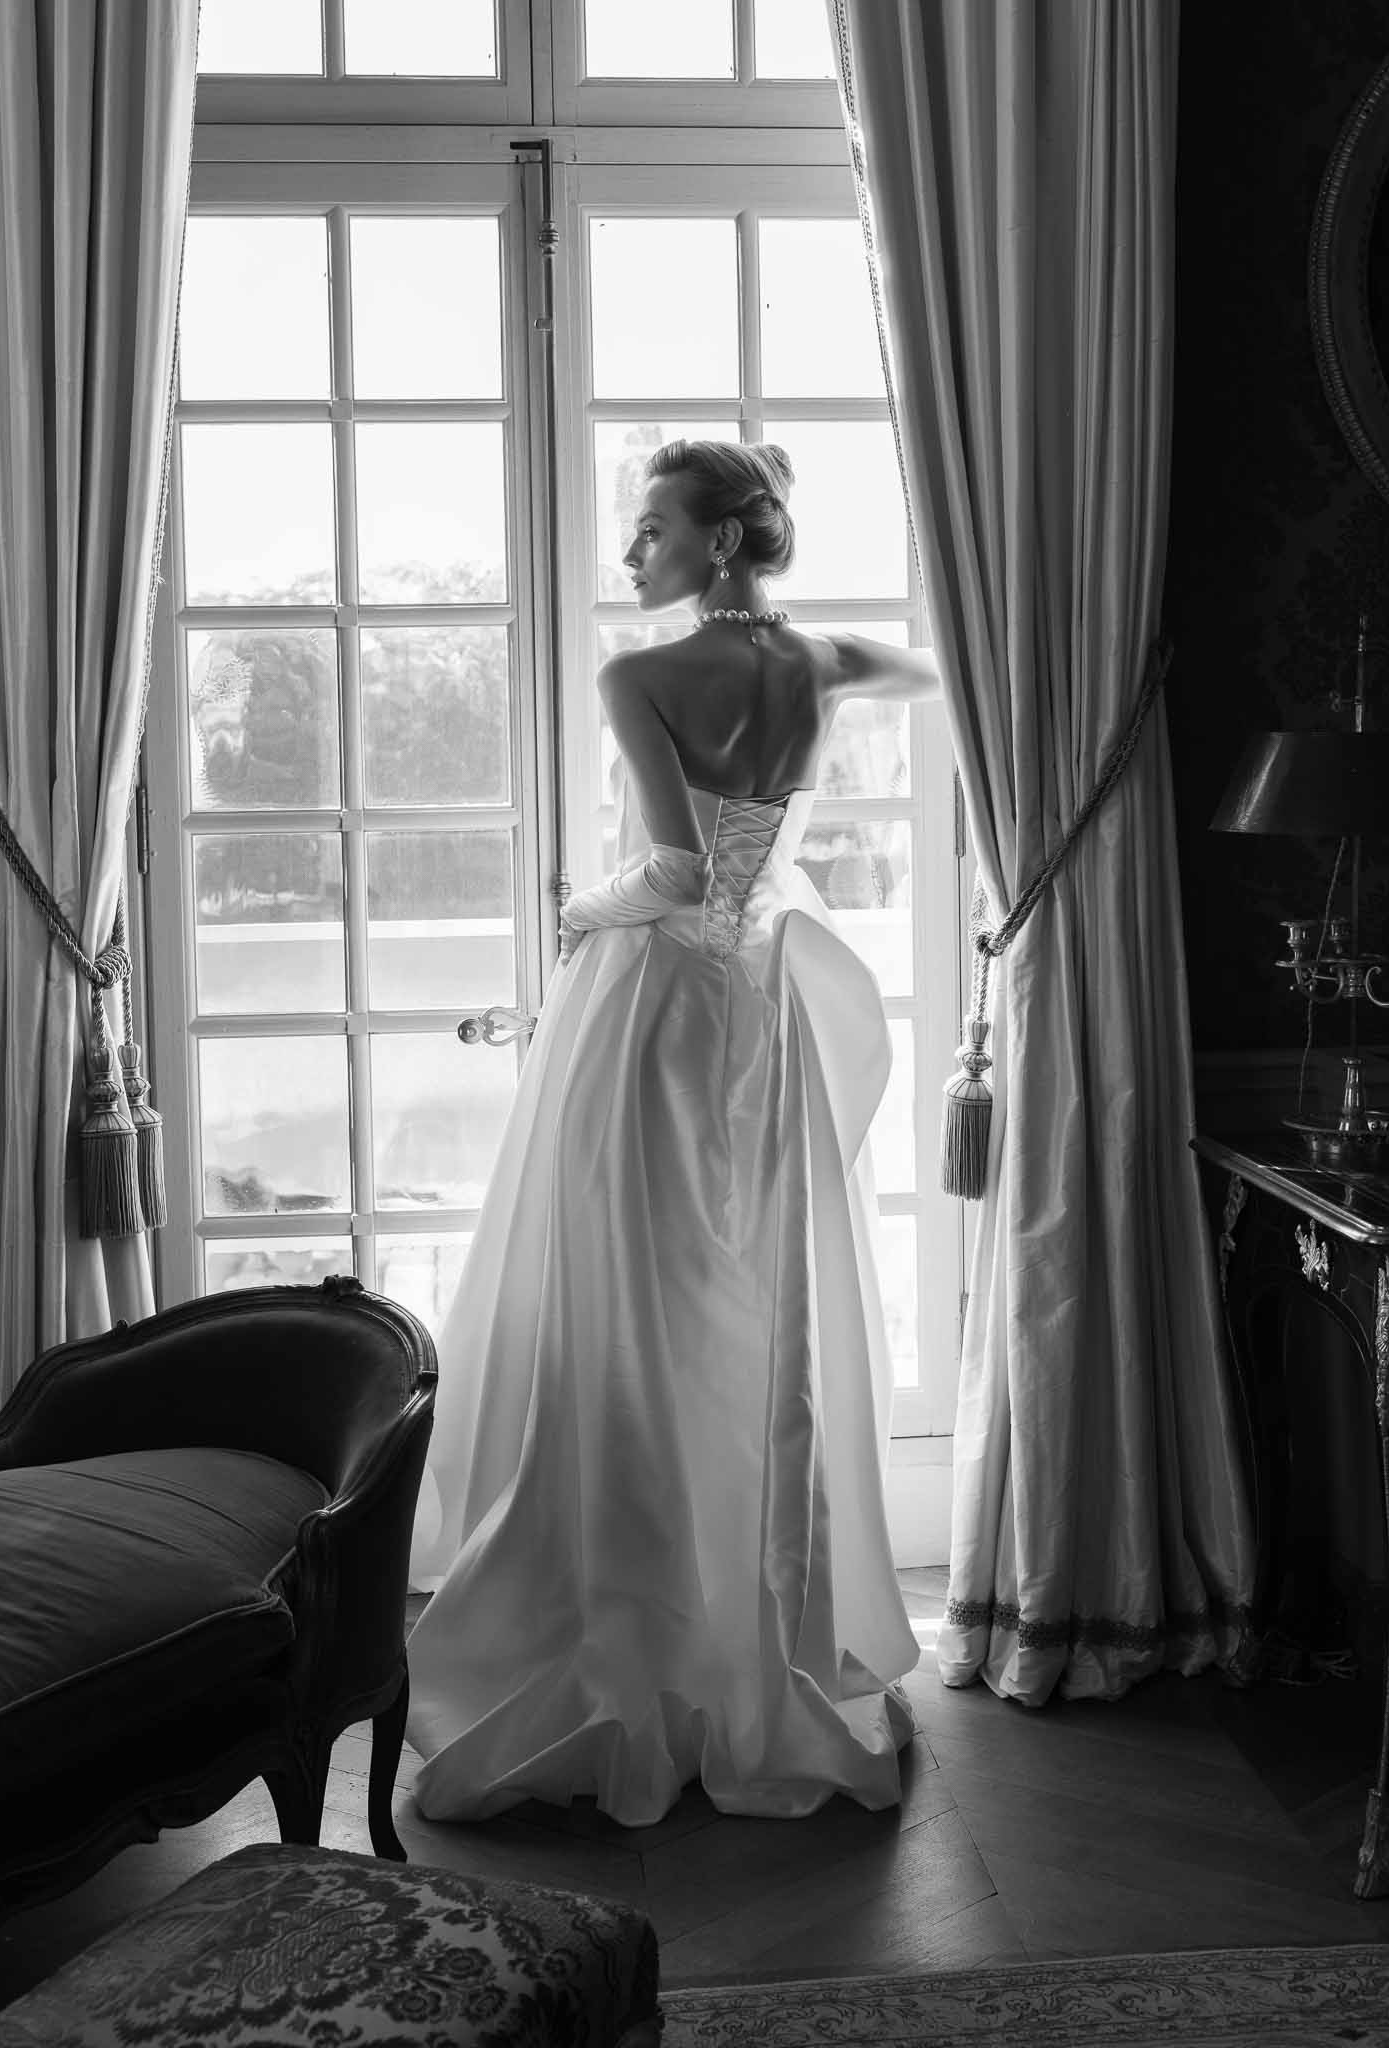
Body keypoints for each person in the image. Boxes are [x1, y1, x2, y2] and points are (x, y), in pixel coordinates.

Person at [405, 438, 941, 1828]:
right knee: (743, 1305)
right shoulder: (822, 666)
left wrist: (573, 918)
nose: (629, 556)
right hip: (754, 1009)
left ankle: (631, 1633)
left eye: (649, 530)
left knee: (632, 1303)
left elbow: (674, 867)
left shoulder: (636, 677)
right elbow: (910, 683)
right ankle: (748, 1632)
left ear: (717, 540)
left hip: (653, 1017)